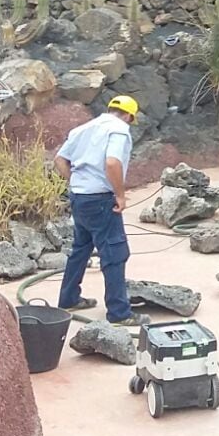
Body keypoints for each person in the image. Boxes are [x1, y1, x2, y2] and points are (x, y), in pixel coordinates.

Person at [53, 95, 150, 326]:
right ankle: (119, 313)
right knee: (114, 253)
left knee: (80, 249)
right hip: (101, 199)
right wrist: (119, 194)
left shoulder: (83, 129)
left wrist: (77, 184)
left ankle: (68, 299)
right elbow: (112, 162)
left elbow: (59, 160)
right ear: (128, 115)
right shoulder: (119, 129)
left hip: (79, 197)